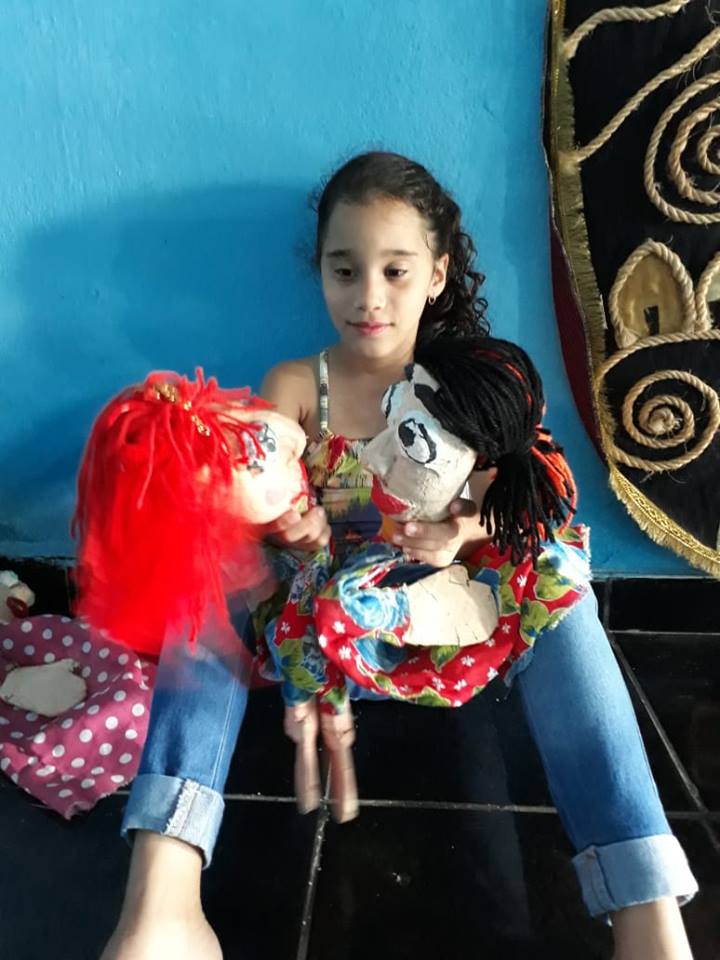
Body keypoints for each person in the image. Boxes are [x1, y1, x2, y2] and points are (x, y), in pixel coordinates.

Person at [98, 152, 697, 960]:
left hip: (439, 613)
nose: (369, 297)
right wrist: (267, 504)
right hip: (320, 619)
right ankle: (162, 896)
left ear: (437, 275)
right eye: (345, 270)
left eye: (395, 270)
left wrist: (460, 532)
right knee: (210, 576)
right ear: (320, 271)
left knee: (559, 575)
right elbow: (256, 477)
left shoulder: (470, 382)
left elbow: (531, 497)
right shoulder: (297, 383)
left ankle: (647, 908)